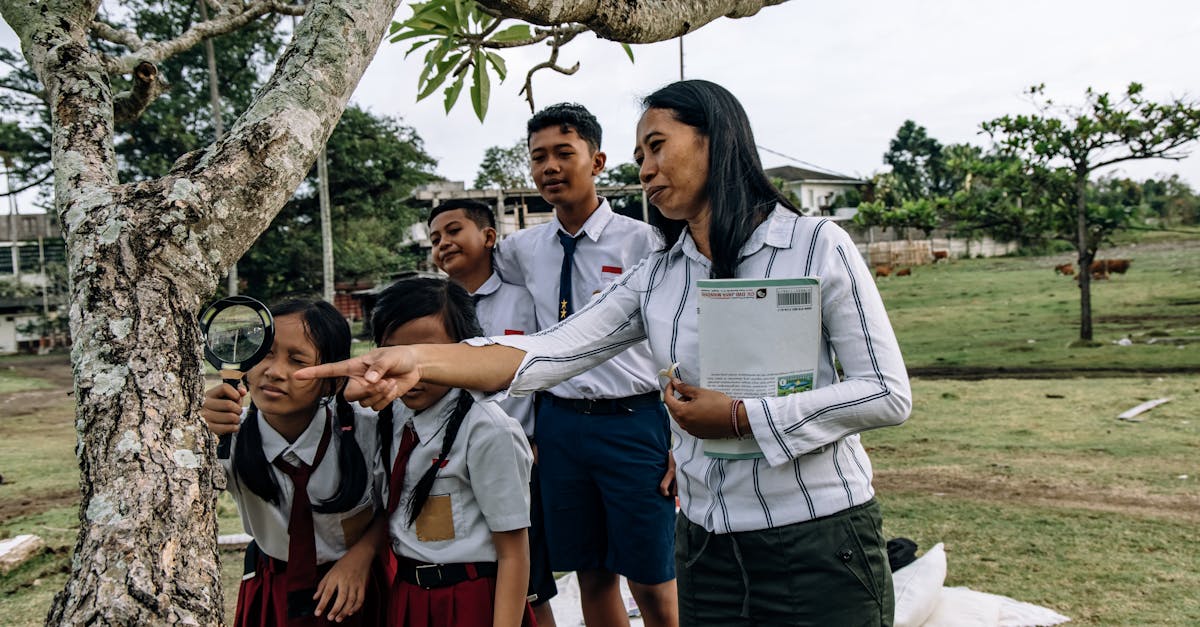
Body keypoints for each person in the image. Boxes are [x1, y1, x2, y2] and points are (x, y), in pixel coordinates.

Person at [298, 80, 911, 626]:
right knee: (594, 572)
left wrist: (742, 417)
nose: (644, 168)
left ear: (717, 141)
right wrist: (422, 361)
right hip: (706, 546)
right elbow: (547, 352)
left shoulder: (814, 246)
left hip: (815, 534)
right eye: (640, 153)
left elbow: (886, 392)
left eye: (657, 146)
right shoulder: (658, 274)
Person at [493, 103, 678, 627]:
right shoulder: (521, 250)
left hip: (634, 422)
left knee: (652, 577)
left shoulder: (646, 242)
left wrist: (680, 444)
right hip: (559, 427)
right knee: (592, 574)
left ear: (597, 161)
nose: (549, 167)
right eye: (537, 157)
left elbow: (683, 336)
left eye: (563, 153)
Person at [200, 299, 385, 626]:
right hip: (270, 590)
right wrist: (192, 431)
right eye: (265, 353)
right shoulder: (226, 435)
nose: (274, 371)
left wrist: (361, 557)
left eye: (297, 360)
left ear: (332, 380)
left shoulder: (366, 430)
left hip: (354, 587)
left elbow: (396, 504)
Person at [370, 277, 535, 627]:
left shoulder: (489, 431)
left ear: (465, 351)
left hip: (470, 601)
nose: (409, 369)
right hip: (408, 597)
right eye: (394, 353)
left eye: (426, 354)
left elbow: (514, 554)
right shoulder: (388, 418)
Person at [426, 199, 558, 626]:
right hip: (449, 460)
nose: (443, 243)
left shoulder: (525, 301)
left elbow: (555, 369)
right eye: (434, 239)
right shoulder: (433, 316)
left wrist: (539, 440)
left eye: (452, 231)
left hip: (516, 458)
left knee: (530, 584)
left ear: (488, 236)